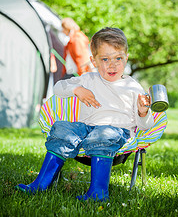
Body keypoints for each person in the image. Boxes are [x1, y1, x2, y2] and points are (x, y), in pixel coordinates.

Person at [16, 27, 154, 201]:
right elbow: (58, 88)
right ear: (94, 61)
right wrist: (76, 89)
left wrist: (143, 112)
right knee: (61, 128)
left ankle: (98, 192)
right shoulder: (88, 79)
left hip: (115, 133)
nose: (112, 64)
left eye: (118, 58)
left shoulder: (132, 88)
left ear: (126, 58)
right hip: (85, 129)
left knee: (103, 134)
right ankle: (41, 184)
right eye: (105, 59)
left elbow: (145, 126)